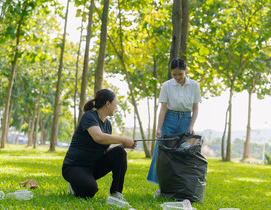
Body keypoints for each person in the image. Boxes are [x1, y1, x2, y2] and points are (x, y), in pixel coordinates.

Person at [62, 89, 137, 199]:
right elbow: (98, 137)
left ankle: (116, 193)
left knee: (120, 152)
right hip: (75, 166)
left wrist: (123, 146)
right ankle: (74, 184)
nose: (116, 107)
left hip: (93, 166)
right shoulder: (89, 116)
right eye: (115, 104)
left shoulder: (107, 124)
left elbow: (105, 149)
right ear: (108, 104)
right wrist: (123, 139)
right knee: (89, 190)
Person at [146, 58, 201, 188]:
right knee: (162, 151)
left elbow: (196, 108)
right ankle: (161, 186)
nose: (177, 77)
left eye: (180, 74)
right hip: (169, 118)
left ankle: (180, 185)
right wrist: (159, 127)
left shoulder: (194, 85)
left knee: (182, 152)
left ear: (185, 71)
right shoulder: (166, 85)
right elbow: (163, 107)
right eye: (174, 74)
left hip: (186, 119)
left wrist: (191, 126)